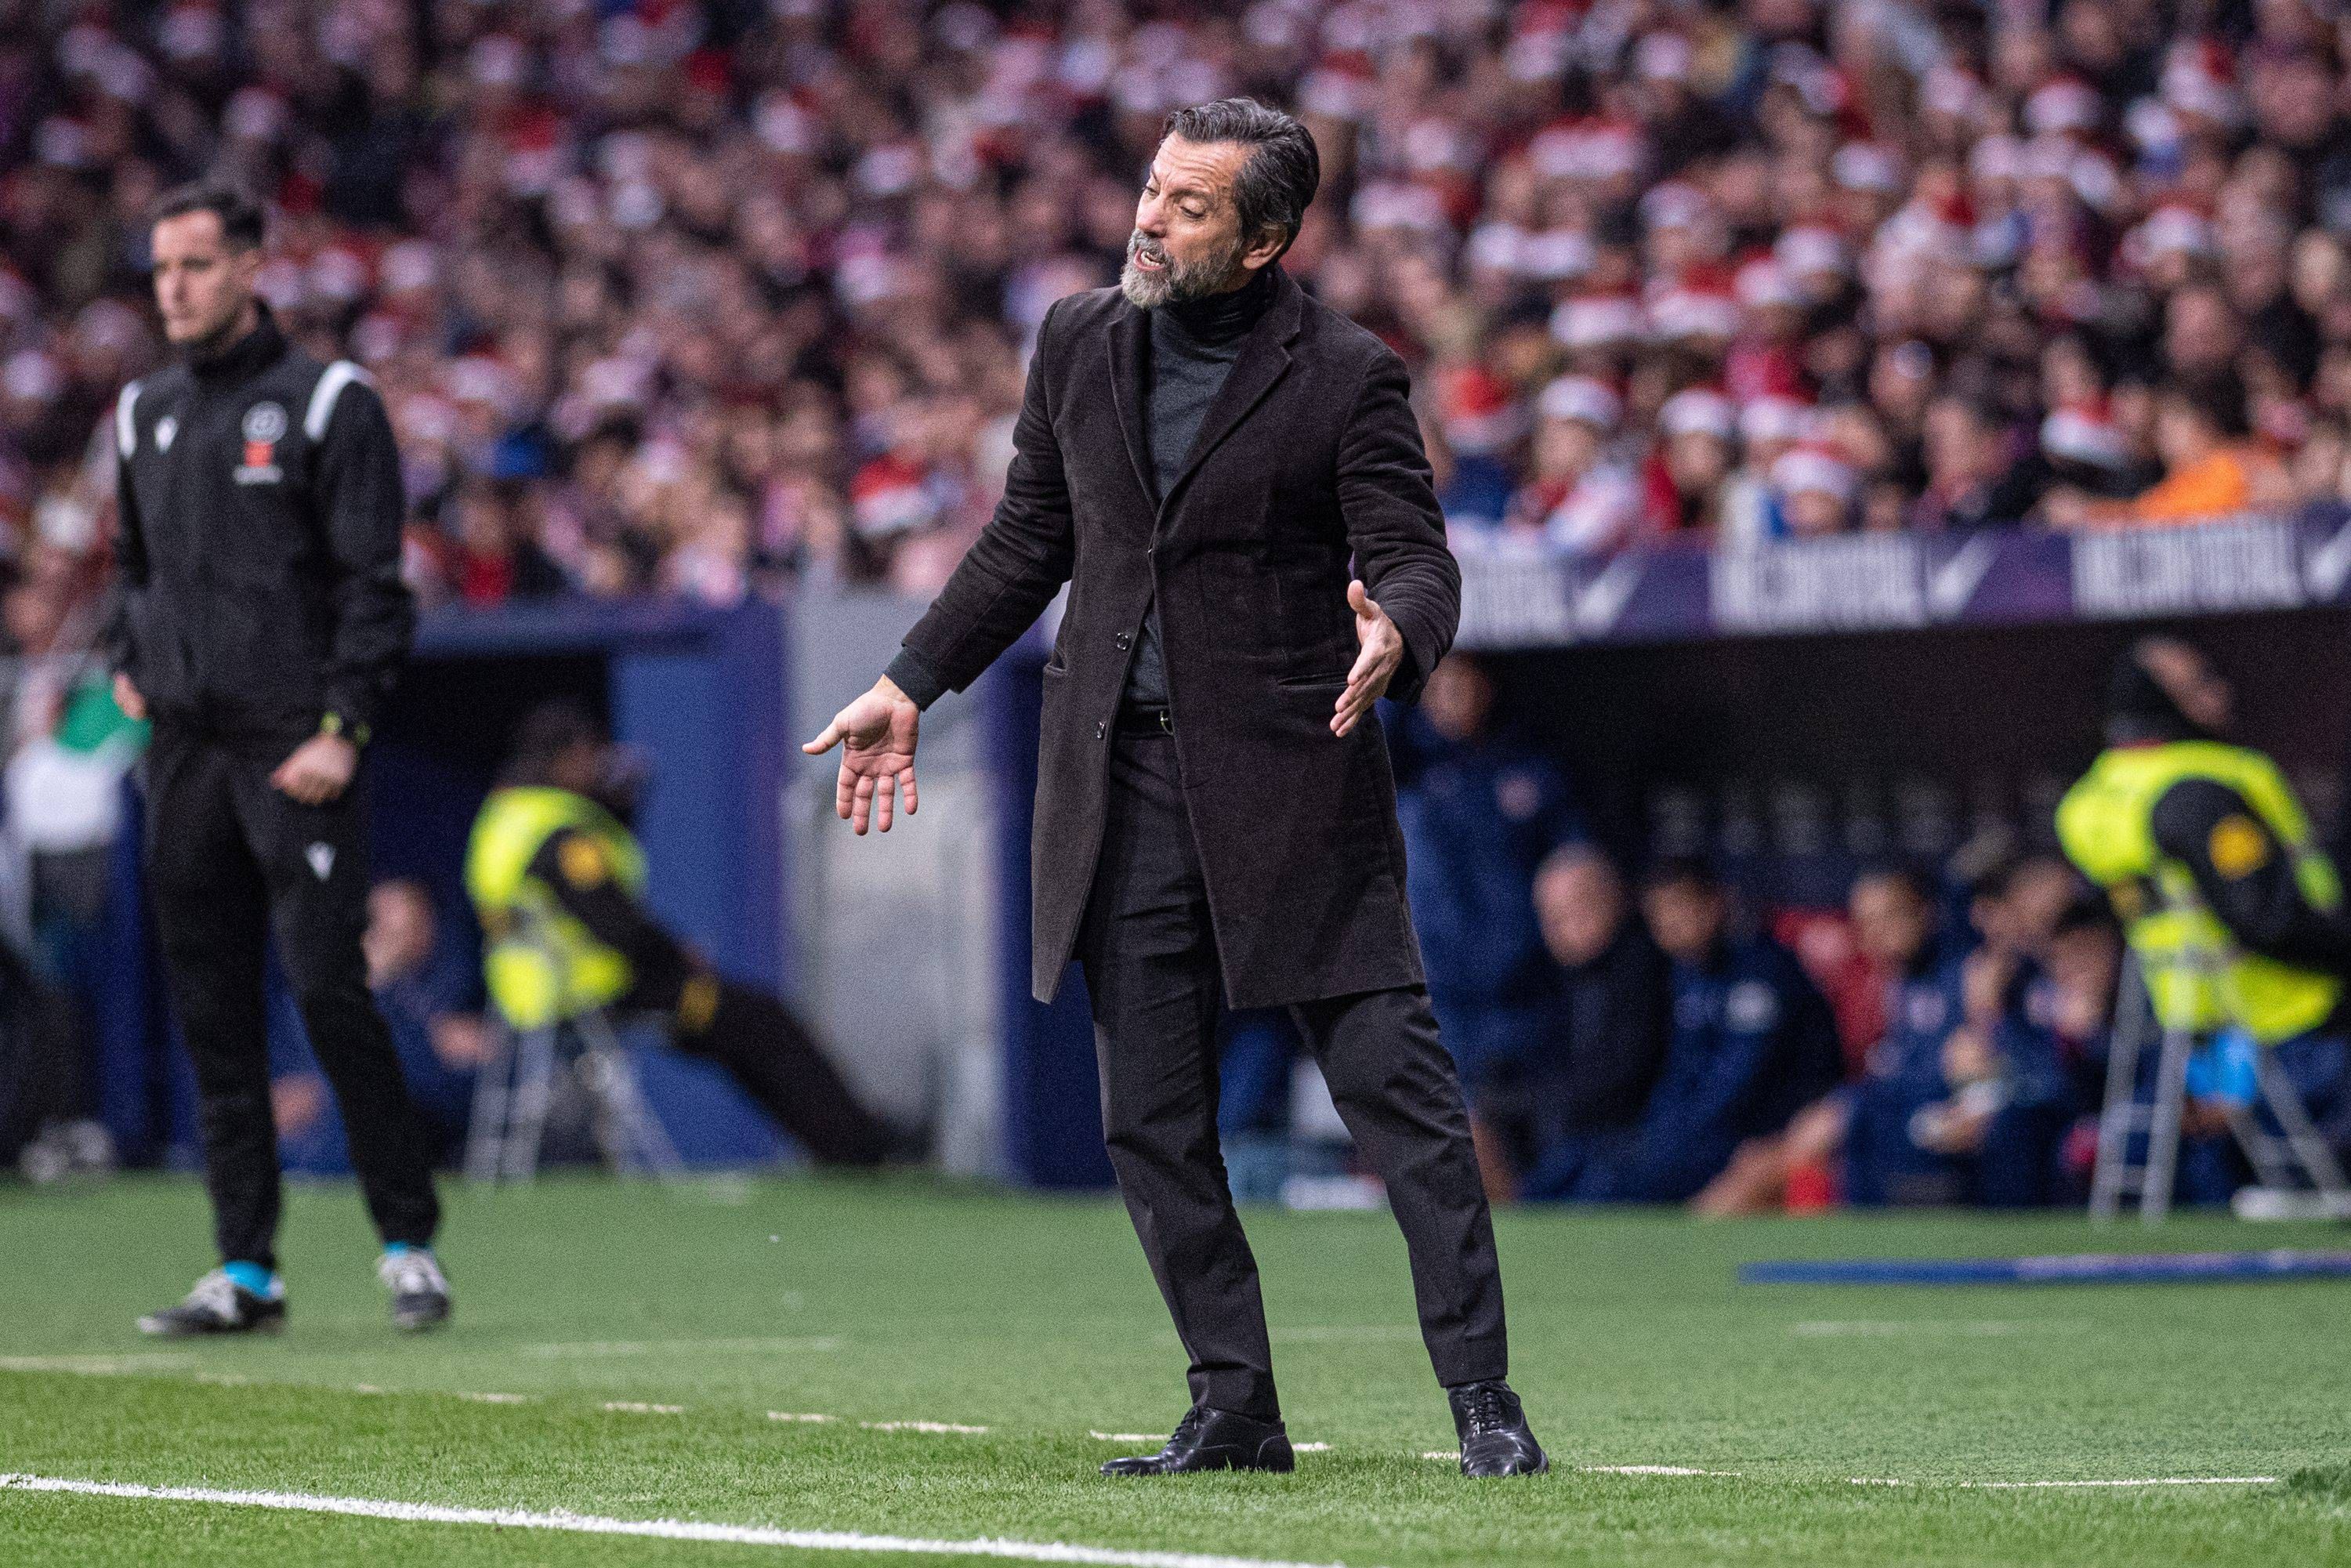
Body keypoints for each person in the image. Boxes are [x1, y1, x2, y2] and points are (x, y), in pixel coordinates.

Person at [803, 100, 1542, 1479]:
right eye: (1153, 189)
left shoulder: (1348, 373)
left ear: (1263, 240)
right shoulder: (1077, 338)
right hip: (1120, 782)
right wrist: (910, 679)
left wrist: (1403, 627)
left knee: (1400, 1100)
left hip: (1293, 782)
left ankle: (1484, 1400)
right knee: (1149, 1117)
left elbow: (1413, 551)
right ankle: (1235, 1404)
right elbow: (1029, 536)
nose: (1150, 219)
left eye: (1189, 206)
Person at [107, 184, 449, 1337]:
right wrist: (129, 659)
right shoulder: (143, 410)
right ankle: (245, 1269)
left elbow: (375, 588)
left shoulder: (329, 402)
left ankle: (408, 1243)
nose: (174, 289)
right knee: (213, 1015)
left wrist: (342, 731)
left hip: (293, 744)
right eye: (162, 269)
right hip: (185, 752)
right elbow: (132, 567)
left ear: (253, 267)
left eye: (197, 265)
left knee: (326, 990)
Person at [468, 702, 905, 1168]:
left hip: (529, 996)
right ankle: (857, 1145)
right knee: (759, 1021)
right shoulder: (559, 830)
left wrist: (622, 807)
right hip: (593, 993)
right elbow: (616, 927)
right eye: (590, 756)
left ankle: (842, 1143)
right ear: (569, 758)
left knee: (742, 1026)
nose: (596, 766)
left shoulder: (505, 817)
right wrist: (680, 959)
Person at [2056, 637, 2351, 1164]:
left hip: (2186, 1023)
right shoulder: (2200, 785)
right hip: (2291, 1014)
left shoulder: (2090, 798)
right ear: (2157, 703)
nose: (2221, 693)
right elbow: (2267, 919)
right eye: (2200, 685)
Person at [1523, 857, 1841, 1203]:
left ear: (1714, 904)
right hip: (1691, 1131)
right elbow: (1678, 1070)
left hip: (1753, 1134)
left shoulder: (1761, 971)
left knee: (1606, 1189)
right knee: (1562, 1172)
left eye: (1679, 906)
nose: (1669, 922)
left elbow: (1739, 1083)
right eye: (1658, 913)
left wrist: (1672, 1136)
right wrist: (1659, 1130)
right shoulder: (1686, 975)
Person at [1387, 654, 1582, 1179]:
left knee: (1548, 1150)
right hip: (1446, 994)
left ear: (1487, 686)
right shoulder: (1407, 766)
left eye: (1463, 682)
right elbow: (1357, 725)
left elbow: (1577, 865)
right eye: (1439, 685)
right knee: (1459, 1148)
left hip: (1531, 991)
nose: (1451, 697)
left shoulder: (1530, 767)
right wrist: (1402, 657)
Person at [1516, 845, 1669, 1191]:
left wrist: (1536, 1101)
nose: (1559, 928)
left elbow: (1627, 1076)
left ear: (1614, 900)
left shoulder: (1646, 968)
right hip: (1572, 1142)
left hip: (1636, 1138)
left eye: (1576, 910)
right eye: (1550, 916)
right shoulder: (1549, 978)